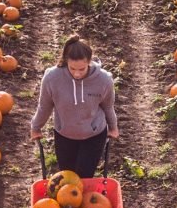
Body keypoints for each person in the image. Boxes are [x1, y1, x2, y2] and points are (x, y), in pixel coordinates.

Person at [29, 36, 118, 178]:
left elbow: (107, 106)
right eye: (72, 68)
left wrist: (113, 127)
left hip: (93, 135)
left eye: (82, 69)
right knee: (68, 177)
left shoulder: (103, 80)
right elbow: (44, 106)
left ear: (89, 61)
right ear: (66, 61)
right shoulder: (52, 78)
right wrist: (35, 127)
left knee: (84, 176)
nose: (77, 73)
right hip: (64, 134)